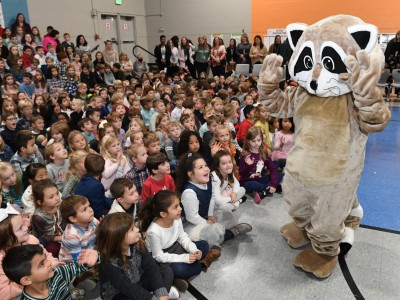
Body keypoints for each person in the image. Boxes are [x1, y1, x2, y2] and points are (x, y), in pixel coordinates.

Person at [141, 190, 221, 291]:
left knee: (203, 245)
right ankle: (204, 262)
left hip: (175, 247)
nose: (180, 209)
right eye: (175, 207)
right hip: (162, 258)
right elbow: (159, 256)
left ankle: (181, 276)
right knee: (179, 269)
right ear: (163, 214)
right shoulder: (153, 231)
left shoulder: (176, 218)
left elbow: (183, 237)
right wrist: (184, 258)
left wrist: (194, 250)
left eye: (179, 205)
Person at [96, 212, 178, 300]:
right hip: (118, 292)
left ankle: (163, 295)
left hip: (138, 281)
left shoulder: (138, 244)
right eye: (132, 229)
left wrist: (161, 293)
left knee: (166, 271)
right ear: (119, 238)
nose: (137, 230)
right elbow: (128, 288)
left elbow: (151, 268)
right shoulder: (109, 263)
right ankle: (164, 293)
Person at [176, 153, 252, 246]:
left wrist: (210, 215)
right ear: (191, 174)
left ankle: (222, 233)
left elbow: (212, 198)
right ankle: (231, 233)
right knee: (208, 234)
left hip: (205, 215)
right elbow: (191, 217)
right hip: (191, 223)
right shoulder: (189, 192)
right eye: (200, 167)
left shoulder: (208, 181)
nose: (206, 169)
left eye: (206, 165)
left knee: (226, 214)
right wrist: (206, 222)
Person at [0, 204, 60, 299]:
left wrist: (54, 264)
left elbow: (46, 255)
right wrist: (26, 282)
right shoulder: (1, 260)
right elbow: (3, 293)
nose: (26, 228)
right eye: (20, 228)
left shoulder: (31, 240)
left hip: (43, 283)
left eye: (24, 223)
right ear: (7, 239)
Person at [3, 244, 99, 300]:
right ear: (26, 280)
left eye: (45, 259)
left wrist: (95, 257)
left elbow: (79, 267)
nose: (49, 263)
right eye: (41, 264)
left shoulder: (57, 274)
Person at [239, 127, 280, 204]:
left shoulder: (264, 153)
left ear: (262, 139)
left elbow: (272, 169)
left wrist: (273, 184)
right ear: (248, 141)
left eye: (259, 140)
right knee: (255, 185)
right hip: (247, 182)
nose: (256, 143)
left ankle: (263, 192)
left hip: (259, 178)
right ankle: (267, 189)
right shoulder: (245, 154)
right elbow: (241, 173)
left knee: (280, 175)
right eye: (253, 141)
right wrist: (249, 165)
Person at [59, 195, 99, 262]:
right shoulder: (71, 236)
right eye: (84, 209)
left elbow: (102, 231)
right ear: (73, 219)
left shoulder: (92, 219)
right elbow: (78, 259)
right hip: (73, 261)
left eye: (89, 206)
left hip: (90, 249)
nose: (90, 210)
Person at [31, 179, 63, 258]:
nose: (57, 198)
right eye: (51, 197)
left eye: (57, 193)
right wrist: (59, 238)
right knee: (53, 249)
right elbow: (43, 236)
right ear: (40, 202)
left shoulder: (59, 205)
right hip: (47, 240)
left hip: (60, 232)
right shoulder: (38, 217)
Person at [75, 153, 112, 219]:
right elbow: (97, 210)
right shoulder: (97, 186)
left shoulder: (85, 178)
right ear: (103, 169)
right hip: (90, 214)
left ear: (86, 167)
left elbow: (101, 198)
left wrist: (113, 203)